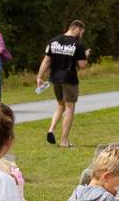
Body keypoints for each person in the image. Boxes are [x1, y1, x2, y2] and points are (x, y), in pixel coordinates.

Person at [36, 19, 92, 147]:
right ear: (77, 28)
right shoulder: (78, 45)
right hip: (69, 79)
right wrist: (85, 55)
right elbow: (82, 65)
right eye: (81, 32)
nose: (81, 35)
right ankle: (64, 141)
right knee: (70, 108)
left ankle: (51, 129)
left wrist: (39, 76)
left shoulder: (53, 41)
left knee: (60, 105)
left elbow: (46, 61)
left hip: (55, 78)